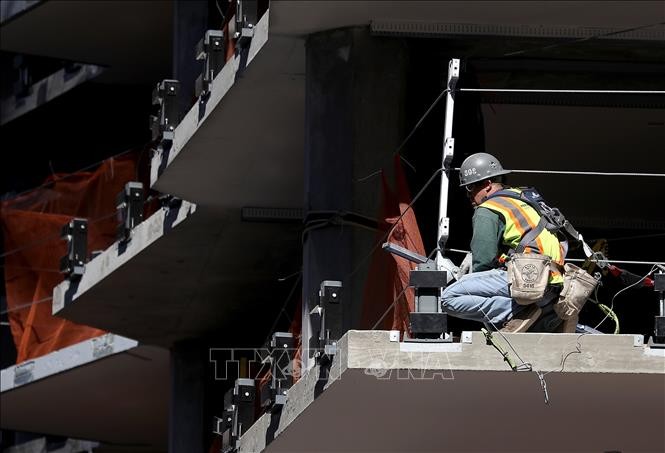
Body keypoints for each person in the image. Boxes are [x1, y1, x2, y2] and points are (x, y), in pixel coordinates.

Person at [441, 152, 564, 332]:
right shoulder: (522, 197)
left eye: (470, 188)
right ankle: (521, 310)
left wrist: (470, 277)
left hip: (528, 279)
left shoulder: (488, 209)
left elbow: (483, 260)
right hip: (553, 281)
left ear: (487, 185)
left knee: (449, 298)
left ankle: (516, 311)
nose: (468, 195)